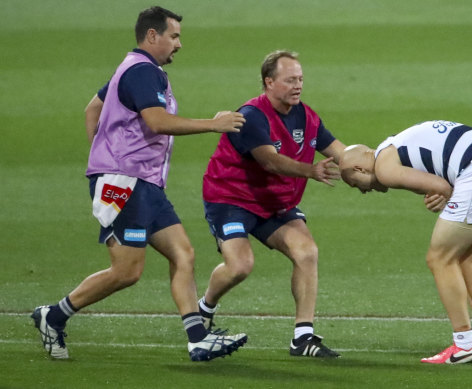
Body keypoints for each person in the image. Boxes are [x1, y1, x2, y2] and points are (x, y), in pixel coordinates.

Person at [31, 6, 248, 362]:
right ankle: (53, 316)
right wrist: (213, 123)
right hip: (125, 185)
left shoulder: (133, 69)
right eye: (174, 36)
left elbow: (92, 110)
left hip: (143, 184)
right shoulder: (143, 72)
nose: (179, 44)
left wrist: (103, 156)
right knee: (127, 271)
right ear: (153, 36)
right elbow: (158, 121)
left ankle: (197, 338)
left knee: (183, 253)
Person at [339, 120, 472, 364]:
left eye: (355, 184)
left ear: (359, 169)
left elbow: (441, 186)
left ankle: (465, 344)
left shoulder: (384, 166)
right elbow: (439, 184)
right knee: (468, 257)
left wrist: (442, 195)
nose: (364, 191)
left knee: (439, 258)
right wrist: (441, 194)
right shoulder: (395, 146)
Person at [198, 50, 345, 358]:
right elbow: (270, 162)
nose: (298, 85)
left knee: (307, 251)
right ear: (269, 82)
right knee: (240, 266)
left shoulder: (307, 117)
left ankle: (302, 338)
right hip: (231, 198)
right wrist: (311, 171)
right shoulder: (252, 116)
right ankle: (205, 307)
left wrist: (379, 172)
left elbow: (343, 154)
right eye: (290, 79)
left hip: (274, 202)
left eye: (301, 79)